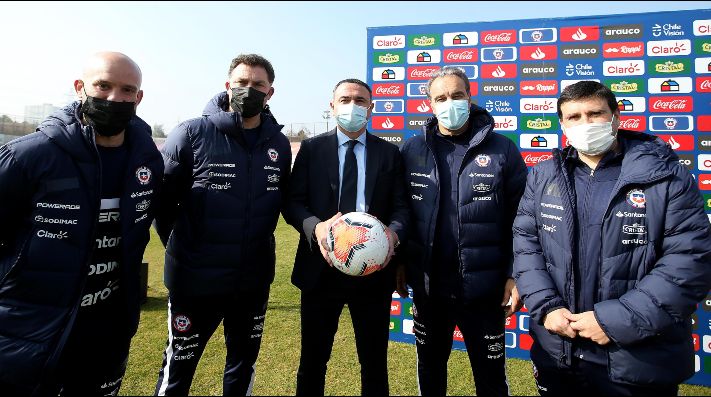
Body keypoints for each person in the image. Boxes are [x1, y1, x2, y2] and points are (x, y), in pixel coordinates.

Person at [513, 80, 711, 396]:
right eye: (574, 117)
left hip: (636, 361)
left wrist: (611, 322)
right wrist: (547, 307)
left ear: (616, 117)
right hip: (559, 354)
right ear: (562, 124)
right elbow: (526, 243)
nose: (586, 124)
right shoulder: (543, 176)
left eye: (595, 113)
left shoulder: (666, 177)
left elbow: (689, 263)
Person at [0, 51, 162, 396]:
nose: (114, 98)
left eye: (127, 90)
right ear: (80, 87)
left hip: (108, 333)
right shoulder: (29, 155)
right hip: (31, 334)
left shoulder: (147, 159)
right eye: (103, 86)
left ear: (139, 97)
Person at [153, 54, 291, 396]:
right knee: (178, 370)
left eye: (258, 85)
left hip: (252, 281)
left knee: (242, 367)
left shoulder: (277, 143)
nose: (249, 90)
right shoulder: (191, 132)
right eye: (242, 83)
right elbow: (163, 206)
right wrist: (189, 251)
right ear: (228, 86)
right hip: (194, 281)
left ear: (270, 92)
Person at [398, 66, 528, 396]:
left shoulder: (503, 149)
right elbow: (401, 213)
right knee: (430, 372)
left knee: (491, 379)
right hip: (429, 291)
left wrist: (515, 274)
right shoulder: (412, 150)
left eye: (457, 95)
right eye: (440, 97)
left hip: (484, 290)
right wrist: (399, 263)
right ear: (429, 104)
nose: (449, 103)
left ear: (470, 99)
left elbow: (524, 220)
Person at [286, 78, 409, 396]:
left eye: (359, 100)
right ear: (332, 106)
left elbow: (401, 209)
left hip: (372, 274)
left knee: (374, 364)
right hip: (320, 271)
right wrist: (317, 227)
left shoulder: (389, 153)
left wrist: (391, 238)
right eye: (344, 100)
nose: (351, 106)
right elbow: (293, 202)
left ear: (371, 108)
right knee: (313, 361)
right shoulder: (312, 149)